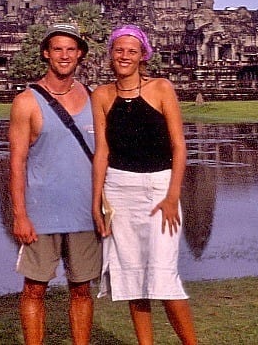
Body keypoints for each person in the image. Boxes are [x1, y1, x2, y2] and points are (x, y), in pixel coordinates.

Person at [91, 24, 197, 345]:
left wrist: (172, 195)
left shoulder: (162, 88)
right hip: (119, 190)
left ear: (143, 56)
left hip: (159, 188)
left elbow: (179, 146)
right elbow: (102, 152)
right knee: (131, 276)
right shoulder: (102, 95)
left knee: (164, 275)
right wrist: (97, 202)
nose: (124, 56)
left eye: (132, 51)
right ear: (111, 54)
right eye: (119, 50)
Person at [9, 23, 101, 345]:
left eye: (71, 50)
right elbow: (17, 163)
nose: (64, 56)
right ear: (46, 54)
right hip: (41, 213)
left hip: (85, 212)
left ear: (80, 55)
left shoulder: (94, 98)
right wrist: (20, 215)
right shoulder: (26, 101)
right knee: (35, 288)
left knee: (81, 289)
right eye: (57, 49)